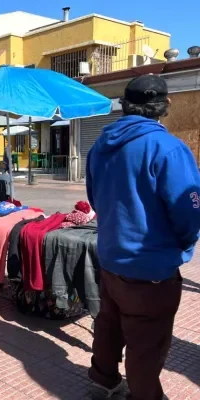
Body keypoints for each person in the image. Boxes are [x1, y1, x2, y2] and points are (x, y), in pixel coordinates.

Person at [86, 75, 200, 400]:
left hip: (110, 259)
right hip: (150, 270)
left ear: (125, 103)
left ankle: (103, 381)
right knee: (146, 345)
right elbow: (189, 213)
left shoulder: (100, 146)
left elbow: (95, 199)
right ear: (166, 105)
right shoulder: (168, 148)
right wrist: (182, 243)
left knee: (109, 325)